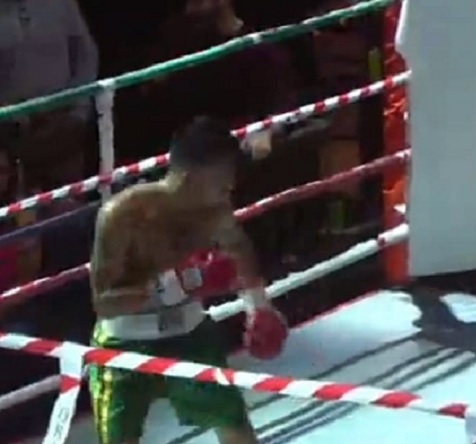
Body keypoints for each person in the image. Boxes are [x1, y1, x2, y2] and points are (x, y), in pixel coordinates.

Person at [88, 116, 289, 444]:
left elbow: (239, 248)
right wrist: (174, 282)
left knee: (236, 427)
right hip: (124, 342)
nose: (231, 185)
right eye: (224, 175)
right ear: (191, 176)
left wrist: (259, 306)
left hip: (190, 335)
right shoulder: (122, 216)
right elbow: (103, 303)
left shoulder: (214, 208)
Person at [0, 0, 98, 188]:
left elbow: (86, 56)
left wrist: (79, 113)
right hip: (10, 137)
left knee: (69, 199)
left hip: (62, 125)